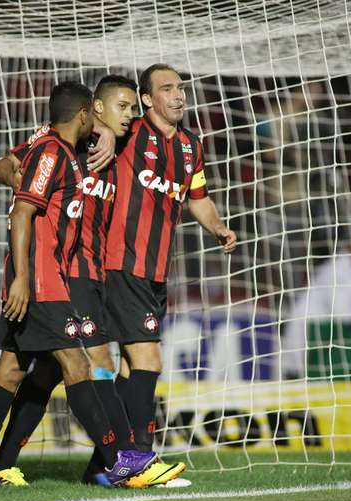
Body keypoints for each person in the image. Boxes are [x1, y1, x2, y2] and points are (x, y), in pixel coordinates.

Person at [0, 81, 156, 487]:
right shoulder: (50, 150)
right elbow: (23, 212)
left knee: (10, 371)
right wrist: (24, 279)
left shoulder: (68, 153)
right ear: (86, 113)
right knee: (78, 364)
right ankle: (117, 460)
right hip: (42, 279)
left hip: (44, 275)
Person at [103, 64, 236, 457]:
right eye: (167, 88)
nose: (179, 95)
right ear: (147, 100)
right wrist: (106, 131)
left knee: (131, 369)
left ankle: (105, 461)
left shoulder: (190, 146)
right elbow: (97, 123)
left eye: (181, 87)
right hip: (121, 262)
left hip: (157, 269)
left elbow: (198, 198)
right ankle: (140, 458)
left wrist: (218, 228)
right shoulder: (128, 133)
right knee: (149, 360)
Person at [280, 238, 351, 379]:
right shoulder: (334, 270)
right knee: (297, 376)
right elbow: (342, 314)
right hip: (306, 328)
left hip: (327, 334)